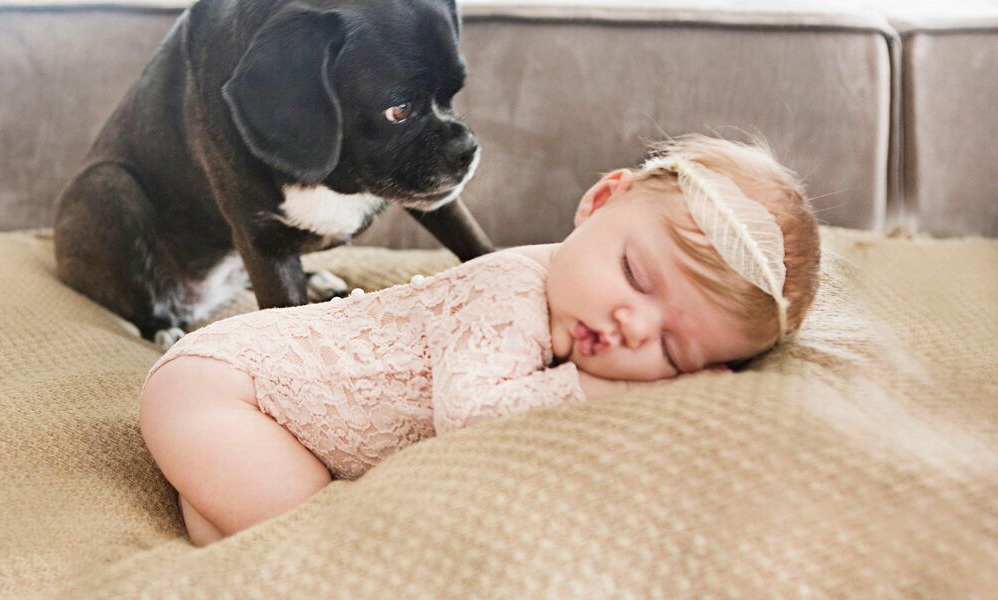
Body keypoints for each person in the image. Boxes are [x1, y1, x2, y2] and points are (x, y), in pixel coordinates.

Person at [138, 134, 821, 546]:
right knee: (318, 533)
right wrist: (597, 388)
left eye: (672, 351)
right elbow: (469, 416)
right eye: (635, 275)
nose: (632, 328)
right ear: (601, 201)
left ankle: (204, 503)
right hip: (229, 389)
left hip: (269, 418)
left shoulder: (572, 310)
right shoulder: (509, 291)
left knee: (244, 521)